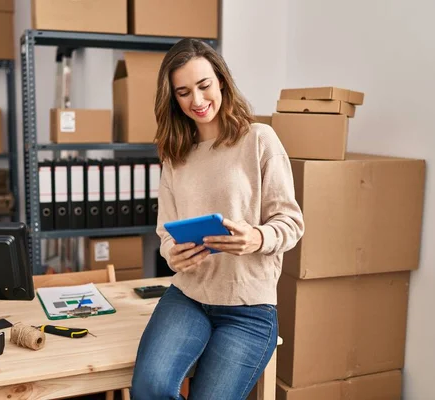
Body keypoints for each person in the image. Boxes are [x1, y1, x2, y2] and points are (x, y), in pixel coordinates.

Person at [130, 38, 305, 400]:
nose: (196, 100)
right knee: (151, 388)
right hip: (189, 298)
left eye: (204, 85)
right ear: (173, 99)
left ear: (221, 81)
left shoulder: (259, 140)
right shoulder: (176, 156)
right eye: (183, 92)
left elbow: (290, 222)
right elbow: (165, 231)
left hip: (249, 310)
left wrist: (256, 238)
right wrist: (171, 254)